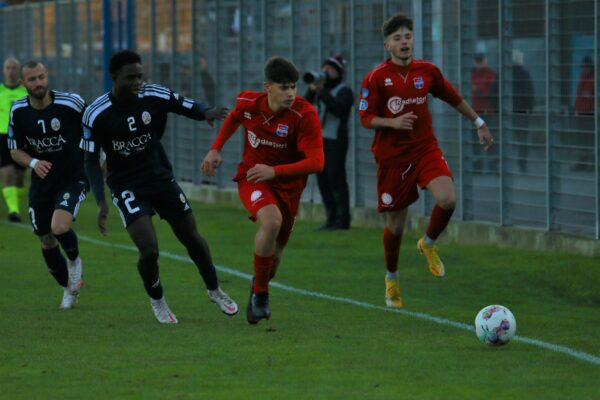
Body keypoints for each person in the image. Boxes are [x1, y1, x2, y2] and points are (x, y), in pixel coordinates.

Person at [81, 50, 238, 324]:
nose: (138, 82)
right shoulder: (96, 114)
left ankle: (215, 290)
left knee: (191, 237)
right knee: (150, 250)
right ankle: (158, 300)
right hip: (126, 185)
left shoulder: (154, 94)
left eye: (140, 76)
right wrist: (101, 201)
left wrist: (206, 112)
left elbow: (184, 104)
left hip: (160, 178)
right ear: (114, 77)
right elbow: (91, 161)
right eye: (131, 77)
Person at [358, 13, 493, 308]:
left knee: (447, 200)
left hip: (424, 150)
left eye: (408, 36)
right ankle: (392, 279)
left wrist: (478, 122)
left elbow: (452, 96)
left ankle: (428, 243)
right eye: (397, 38)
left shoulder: (427, 71)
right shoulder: (376, 78)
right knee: (395, 224)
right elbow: (365, 118)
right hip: (393, 158)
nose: (404, 41)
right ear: (387, 46)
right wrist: (392, 123)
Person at [201, 56, 324, 324]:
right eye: (284, 87)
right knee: (271, 221)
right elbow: (235, 117)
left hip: (289, 187)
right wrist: (215, 148)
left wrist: (276, 171)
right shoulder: (248, 103)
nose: (291, 93)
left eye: (293, 87)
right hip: (253, 177)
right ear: (267, 87)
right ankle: (262, 296)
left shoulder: (304, 115)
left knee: (274, 259)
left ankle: (257, 287)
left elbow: (317, 162)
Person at [8, 61, 86, 309]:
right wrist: (33, 162)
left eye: (41, 77)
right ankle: (68, 290)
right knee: (46, 239)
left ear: (47, 75)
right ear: (23, 84)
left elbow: (94, 127)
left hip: (72, 177)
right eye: (32, 79)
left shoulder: (71, 102)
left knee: (59, 227)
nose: (39, 83)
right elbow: (14, 150)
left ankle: (74, 262)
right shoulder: (18, 111)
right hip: (42, 183)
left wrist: (99, 161)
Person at [304, 54, 354, 230]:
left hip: (336, 142)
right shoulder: (320, 90)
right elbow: (304, 106)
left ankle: (343, 220)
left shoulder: (344, 91)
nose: (327, 71)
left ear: (339, 72)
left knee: (336, 180)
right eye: (325, 67)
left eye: (331, 68)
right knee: (323, 181)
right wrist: (311, 90)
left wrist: (322, 91)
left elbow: (338, 109)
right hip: (319, 141)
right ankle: (330, 218)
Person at [0, 57, 28, 222]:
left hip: (21, 137)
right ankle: (13, 211)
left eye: (13, 68)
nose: (10, 71)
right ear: (4, 71)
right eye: (7, 68)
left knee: (19, 177)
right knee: (8, 174)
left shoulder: (25, 92)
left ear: (18, 71)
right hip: (2, 136)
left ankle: (14, 205)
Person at [471, 52, 498, 170]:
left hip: (487, 112)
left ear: (486, 61)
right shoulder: (471, 74)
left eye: (480, 61)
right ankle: (477, 166)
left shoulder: (491, 74)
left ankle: (492, 166)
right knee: (474, 140)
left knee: (489, 138)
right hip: (474, 113)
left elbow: (490, 91)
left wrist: (475, 89)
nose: (479, 63)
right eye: (477, 61)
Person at [511, 49, 534, 172]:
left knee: (506, 137)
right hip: (521, 112)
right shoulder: (524, 74)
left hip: (506, 112)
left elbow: (494, 91)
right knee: (522, 139)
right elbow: (529, 94)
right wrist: (529, 109)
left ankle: (502, 163)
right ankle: (522, 163)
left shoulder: (503, 73)